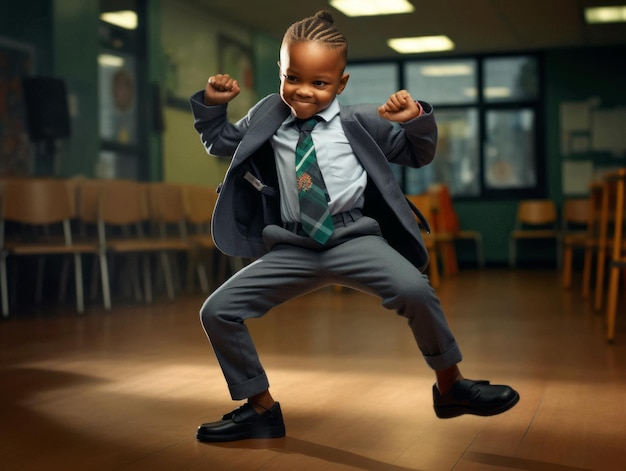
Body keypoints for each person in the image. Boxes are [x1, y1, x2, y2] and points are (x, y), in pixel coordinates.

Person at [189, 10, 519, 443]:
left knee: (416, 290)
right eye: (293, 78)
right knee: (217, 310)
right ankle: (260, 407)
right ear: (280, 71)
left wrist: (415, 117)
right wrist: (214, 104)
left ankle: (451, 386)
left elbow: (417, 153)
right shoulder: (268, 116)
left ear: (341, 83)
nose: (303, 91)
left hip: (353, 238)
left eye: (320, 83)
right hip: (293, 244)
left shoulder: (360, 121)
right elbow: (221, 142)